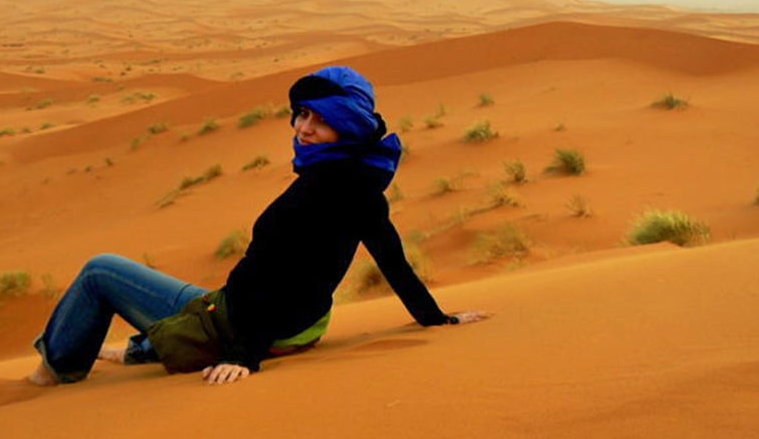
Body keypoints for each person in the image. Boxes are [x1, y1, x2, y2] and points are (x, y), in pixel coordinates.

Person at [28, 65, 487, 387]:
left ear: (347, 127)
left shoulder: (320, 188)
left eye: (321, 121)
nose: (304, 129)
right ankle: (138, 349)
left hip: (250, 325)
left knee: (100, 271)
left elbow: (286, 276)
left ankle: (53, 371)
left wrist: (244, 356)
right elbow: (392, 260)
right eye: (303, 115)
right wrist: (436, 318)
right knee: (191, 298)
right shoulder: (363, 181)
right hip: (297, 323)